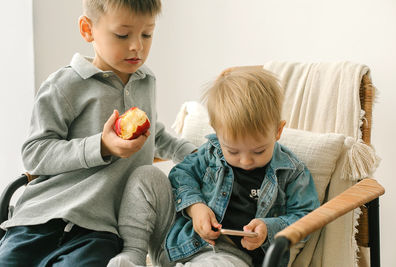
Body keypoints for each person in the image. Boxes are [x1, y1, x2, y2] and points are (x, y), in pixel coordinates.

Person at [0, 1, 196, 266]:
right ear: (87, 29)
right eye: (122, 35)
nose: (137, 45)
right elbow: (35, 153)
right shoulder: (64, 85)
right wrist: (101, 146)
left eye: (147, 34)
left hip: (101, 230)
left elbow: (153, 133)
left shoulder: (146, 81)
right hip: (40, 218)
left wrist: (195, 155)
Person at [164, 66, 320, 267]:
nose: (245, 161)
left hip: (235, 257)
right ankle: (130, 254)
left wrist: (268, 229)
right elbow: (180, 174)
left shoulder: (291, 171)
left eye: (259, 151)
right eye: (233, 151)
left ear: (278, 131)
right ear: (217, 132)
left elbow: (307, 217)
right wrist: (196, 207)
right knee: (147, 177)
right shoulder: (211, 152)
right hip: (185, 243)